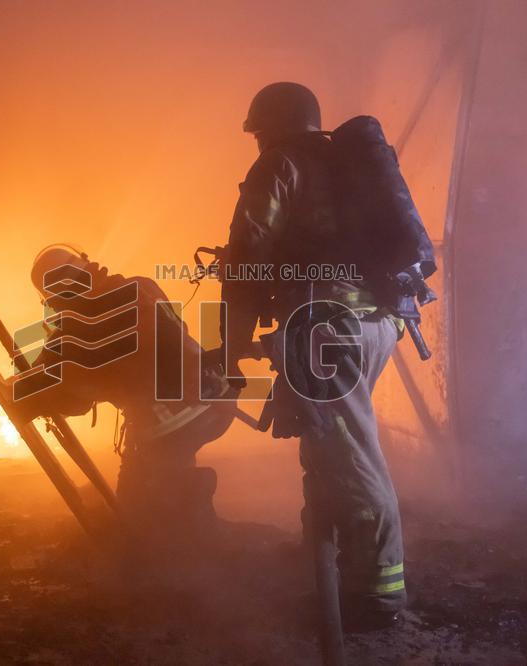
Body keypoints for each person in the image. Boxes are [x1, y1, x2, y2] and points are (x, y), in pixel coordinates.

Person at [219, 82, 406, 628]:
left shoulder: (279, 167)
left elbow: (246, 261)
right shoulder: (341, 165)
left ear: (270, 129)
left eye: (257, 134)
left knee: (350, 459)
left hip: (327, 332)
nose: (256, 145)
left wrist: (229, 350)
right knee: (327, 446)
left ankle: (378, 596)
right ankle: (327, 572)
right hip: (374, 325)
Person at [17, 245, 236, 534]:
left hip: (170, 426)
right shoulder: (141, 286)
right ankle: (184, 497)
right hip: (218, 401)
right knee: (162, 472)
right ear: (85, 264)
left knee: (135, 514)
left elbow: (73, 401)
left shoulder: (72, 332)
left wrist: (35, 396)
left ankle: (193, 515)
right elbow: (175, 333)